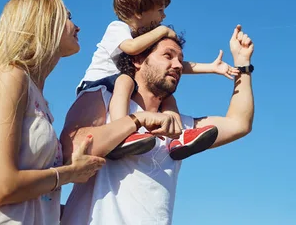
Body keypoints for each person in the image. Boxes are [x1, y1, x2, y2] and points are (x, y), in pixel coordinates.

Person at [59, 24, 254, 225]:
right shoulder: (103, 99)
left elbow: (239, 124)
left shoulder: (179, 127)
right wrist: (135, 121)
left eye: (180, 59)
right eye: (168, 56)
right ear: (138, 60)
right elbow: (69, 150)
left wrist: (243, 63)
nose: (178, 65)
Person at [0, 0, 106, 225]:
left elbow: (31, 199)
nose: (78, 26)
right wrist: (71, 173)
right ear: (43, 22)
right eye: (68, 17)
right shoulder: (12, 77)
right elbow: (2, 187)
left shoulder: (37, 96)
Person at [76, 0, 238, 160]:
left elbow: (171, 65)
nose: (164, 15)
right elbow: (131, 48)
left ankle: (179, 136)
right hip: (96, 85)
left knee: (167, 96)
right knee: (125, 80)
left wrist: (211, 67)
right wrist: (163, 31)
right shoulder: (118, 28)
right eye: (160, 10)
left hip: (121, 86)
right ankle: (122, 134)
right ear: (138, 12)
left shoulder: (144, 37)